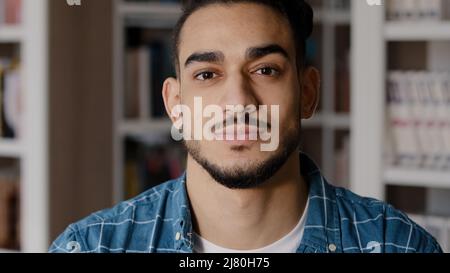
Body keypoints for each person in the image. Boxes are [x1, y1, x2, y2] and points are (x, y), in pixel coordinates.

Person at [49, 0, 442, 253]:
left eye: (265, 70)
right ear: (174, 104)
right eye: (207, 74)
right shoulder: (91, 247)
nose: (238, 101)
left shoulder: (400, 245)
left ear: (307, 93)